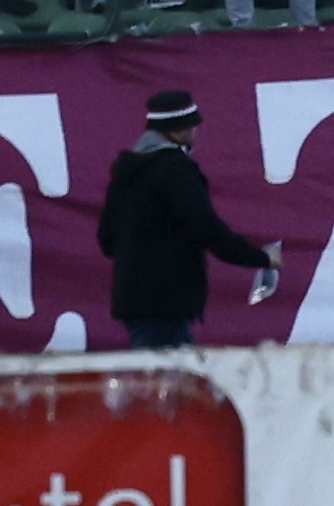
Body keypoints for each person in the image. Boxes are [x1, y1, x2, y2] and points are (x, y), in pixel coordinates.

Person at [92, 85, 279, 350]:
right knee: (165, 385)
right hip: (168, 302)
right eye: (193, 126)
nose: (196, 133)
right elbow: (207, 229)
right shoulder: (175, 171)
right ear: (179, 130)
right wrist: (261, 259)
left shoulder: (125, 174)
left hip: (132, 300)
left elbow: (107, 239)